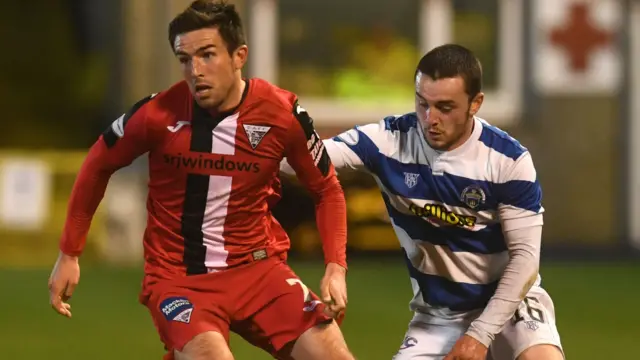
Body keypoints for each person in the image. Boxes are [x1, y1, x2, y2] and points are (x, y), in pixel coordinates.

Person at [47, 1, 355, 359]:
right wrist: (70, 252)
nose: (195, 70)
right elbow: (97, 163)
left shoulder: (282, 115)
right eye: (184, 59)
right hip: (180, 278)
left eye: (207, 55)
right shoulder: (156, 114)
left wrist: (336, 267)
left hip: (260, 270)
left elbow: (326, 188)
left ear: (240, 55)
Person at [281, 44, 564, 360]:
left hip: (511, 306)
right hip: (438, 316)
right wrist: (280, 123)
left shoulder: (508, 160)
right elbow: (297, 163)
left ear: (476, 104)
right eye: (422, 104)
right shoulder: (388, 141)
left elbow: (525, 259)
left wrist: (480, 334)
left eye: (445, 107)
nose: (431, 119)